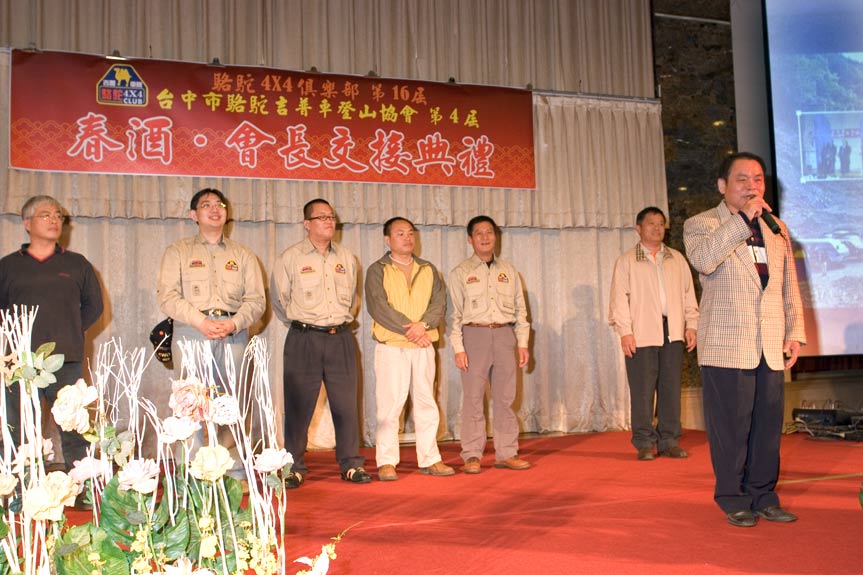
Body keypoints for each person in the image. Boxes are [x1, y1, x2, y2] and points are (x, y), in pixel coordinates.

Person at [683, 152, 805, 528]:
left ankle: (764, 496)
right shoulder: (701, 224)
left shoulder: (776, 227)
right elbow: (704, 260)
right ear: (722, 186)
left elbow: (788, 285)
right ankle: (732, 497)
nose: (752, 186)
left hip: (769, 344)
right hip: (726, 345)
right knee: (732, 429)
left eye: (758, 179)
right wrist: (742, 220)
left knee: (767, 429)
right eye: (742, 179)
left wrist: (795, 333)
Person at [157, 188, 266, 479]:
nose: (215, 209)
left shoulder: (243, 254)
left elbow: (257, 300)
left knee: (230, 404)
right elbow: (167, 296)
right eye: (206, 205)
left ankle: (233, 471)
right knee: (190, 403)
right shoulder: (178, 251)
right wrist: (201, 321)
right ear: (194, 215)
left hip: (233, 334)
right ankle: (190, 473)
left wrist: (234, 323)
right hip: (192, 333)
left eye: (220, 204)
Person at [0, 195, 103, 480]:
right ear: (27, 223)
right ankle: (18, 488)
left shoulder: (77, 264)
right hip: (19, 362)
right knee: (18, 427)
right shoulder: (8, 266)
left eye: (58, 215)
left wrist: (69, 329)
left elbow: (94, 306)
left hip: (65, 359)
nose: (55, 220)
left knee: (74, 427)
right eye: (46, 215)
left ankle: (82, 487)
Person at [271, 198, 370, 488]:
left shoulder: (347, 258)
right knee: (298, 406)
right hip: (304, 338)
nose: (329, 221)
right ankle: (293, 467)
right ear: (307, 224)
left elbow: (353, 299)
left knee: (346, 405)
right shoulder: (290, 257)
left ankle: (351, 464)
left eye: (331, 217)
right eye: (322, 217)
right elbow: (279, 300)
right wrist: (304, 325)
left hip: (341, 338)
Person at [365, 217, 453, 481]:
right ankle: (386, 461)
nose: (407, 238)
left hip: (423, 344)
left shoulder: (428, 269)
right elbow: (379, 307)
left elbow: (439, 304)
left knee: (427, 402)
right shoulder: (377, 269)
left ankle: (430, 458)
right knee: (390, 405)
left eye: (410, 233)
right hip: (392, 346)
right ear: (387, 239)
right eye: (400, 233)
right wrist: (411, 330)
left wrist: (422, 326)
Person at [608, 207, 699, 461]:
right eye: (651, 223)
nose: (657, 228)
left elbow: (688, 294)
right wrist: (625, 332)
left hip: (673, 331)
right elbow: (619, 300)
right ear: (638, 228)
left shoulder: (676, 259)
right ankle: (644, 442)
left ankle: (669, 440)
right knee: (643, 391)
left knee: (671, 389)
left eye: (661, 223)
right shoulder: (627, 261)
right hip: (641, 332)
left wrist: (691, 325)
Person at [448, 215, 531, 474]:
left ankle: (507, 453)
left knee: (505, 398)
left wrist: (523, 343)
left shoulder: (509, 271)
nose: (485, 237)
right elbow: (454, 315)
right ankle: (472, 454)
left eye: (489, 232)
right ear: (470, 239)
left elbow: (521, 311)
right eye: (479, 233)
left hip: (505, 336)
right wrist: (458, 348)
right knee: (473, 398)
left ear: (496, 236)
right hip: (474, 336)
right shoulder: (461, 272)